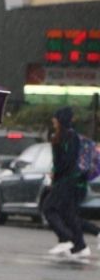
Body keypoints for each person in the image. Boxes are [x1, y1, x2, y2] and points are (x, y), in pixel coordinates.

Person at [43, 106, 89, 259]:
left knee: (48, 208)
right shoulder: (63, 135)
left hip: (66, 180)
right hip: (66, 179)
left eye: (55, 117)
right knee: (67, 213)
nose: (53, 120)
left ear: (61, 119)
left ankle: (65, 238)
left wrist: (56, 173)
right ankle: (79, 245)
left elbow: (66, 161)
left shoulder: (68, 136)